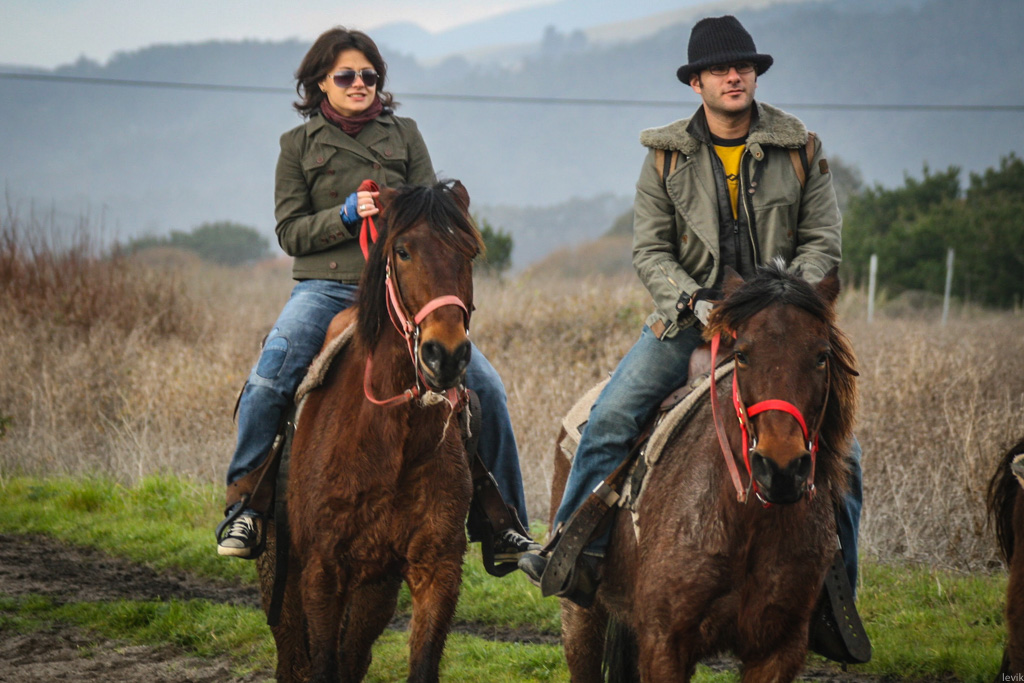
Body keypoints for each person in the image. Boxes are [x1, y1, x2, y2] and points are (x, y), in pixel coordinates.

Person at [519, 14, 863, 600]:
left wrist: (784, 301)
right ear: (695, 83)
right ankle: (573, 553)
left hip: (782, 326)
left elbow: (822, 241)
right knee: (610, 418)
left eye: (743, 67)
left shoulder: (801, 149)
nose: (734, 77)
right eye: (719, 70)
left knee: (845, 457)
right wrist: (693, 302)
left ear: (755, 76)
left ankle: (836, 599)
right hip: (689, 321)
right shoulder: (664, 157)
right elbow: (650, 250)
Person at [216, 27, 537, 564]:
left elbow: (433, 213)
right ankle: (245, 507)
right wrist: (343, 215)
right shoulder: (297, 146)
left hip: (398, 292)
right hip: (325, 288)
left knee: (488, 389)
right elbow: (290, 232)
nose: (359, 83)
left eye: (368, 75)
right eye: (345, 76)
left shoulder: (404, 134)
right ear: (321, 83)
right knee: (269, 378)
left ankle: (503, 524)